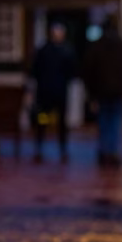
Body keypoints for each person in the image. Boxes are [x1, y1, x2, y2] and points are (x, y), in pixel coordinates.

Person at [82, 17, 122, 166]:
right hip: (117, 92)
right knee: (115, 121)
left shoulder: (97, 47)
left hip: (102, 91)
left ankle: (105, 150)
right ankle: (112, 151)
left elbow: (88, 70)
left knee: (104, 120)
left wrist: (91, 92)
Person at [30, 22, 76, 162]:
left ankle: (61, 149)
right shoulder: (52, 51)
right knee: (43, 120)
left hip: (55, 93)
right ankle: (42, 148)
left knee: (60, 122)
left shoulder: (61, 51)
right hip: (48, 93)